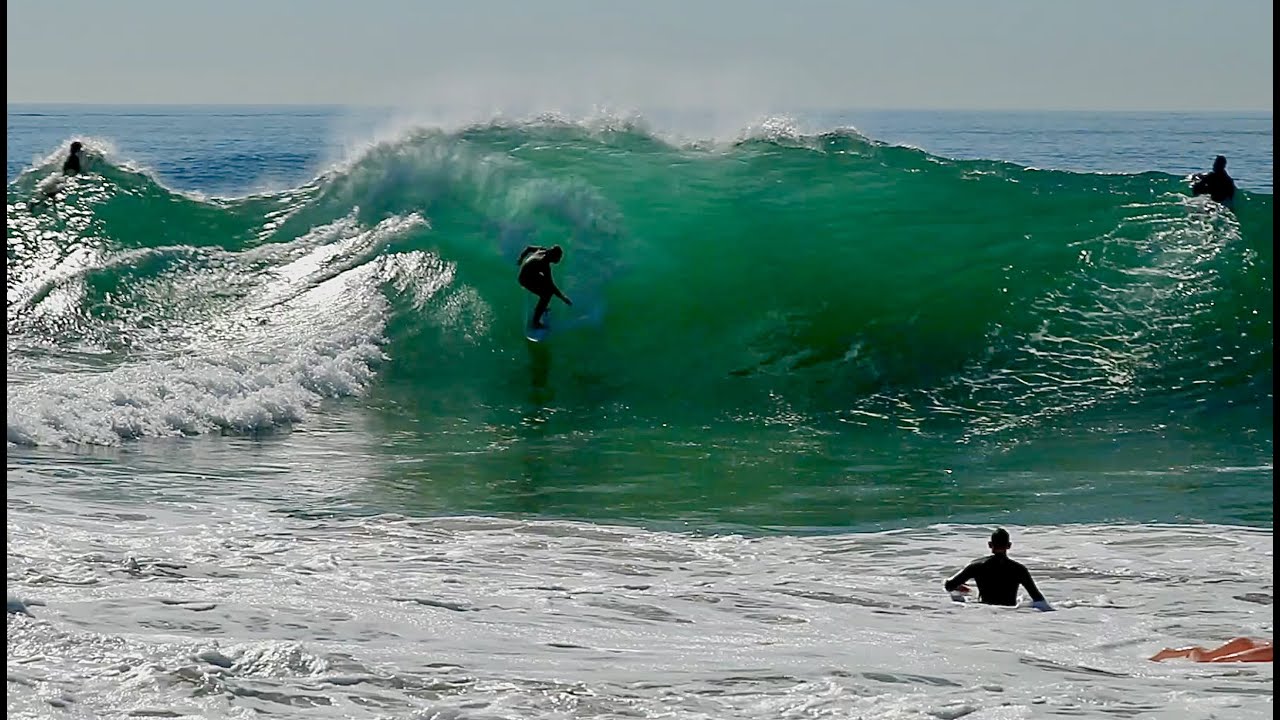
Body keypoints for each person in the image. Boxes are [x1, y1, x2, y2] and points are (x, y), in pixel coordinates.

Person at [944, 528, 1053, 610]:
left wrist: (959, 588)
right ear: (1009, 545)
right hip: (1009, 612)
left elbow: (949, 585)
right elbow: (1038, 599)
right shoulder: (1019, 569)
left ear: (990, 545)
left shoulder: (976, 566)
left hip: (984, 612)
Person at [517, 244, 572, 329]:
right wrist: (563, 298)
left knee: (546, 289)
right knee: (547, 294)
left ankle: (541, 307)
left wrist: (521, 258)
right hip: (525, 279)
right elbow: (551, 285)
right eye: (558, 258)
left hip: (532, 274)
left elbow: (528, 248)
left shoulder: (542, 250)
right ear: (553, 256)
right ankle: (536, 322)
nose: (559, 260)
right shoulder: (544, 264)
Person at [1150, 637, 1272, 663]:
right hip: (1245, 644)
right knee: (1205, 658)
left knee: (1208, 656)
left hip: (1250, 644)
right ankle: (1169, 653)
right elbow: (1224, 659)